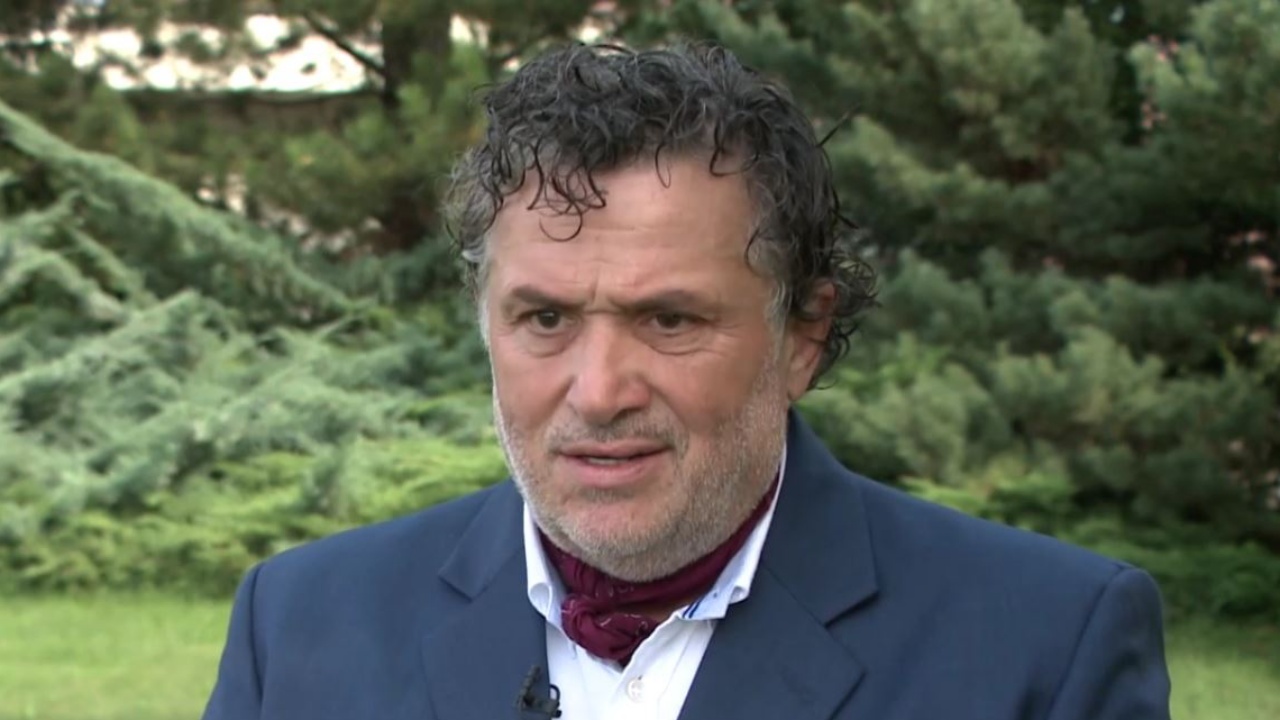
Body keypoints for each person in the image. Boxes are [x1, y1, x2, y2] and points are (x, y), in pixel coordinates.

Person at [202, 42, 1171, 720]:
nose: (597, 392)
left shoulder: (1047, 648)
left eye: (669, 320)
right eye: (544, 320)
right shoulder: (297, 623)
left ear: (802, 336)